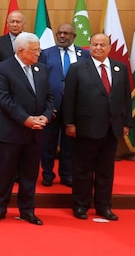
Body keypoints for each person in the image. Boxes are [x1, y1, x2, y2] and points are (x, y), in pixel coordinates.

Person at [63, 33, 132, 221]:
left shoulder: (121, 68)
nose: (98, 48)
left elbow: (125, 98)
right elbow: (69, 98)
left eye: (102, 45)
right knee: (83, 170)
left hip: (112, 128)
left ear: (109, 47)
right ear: (89, 46)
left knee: (106, 170)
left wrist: (126, 123)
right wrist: (70, 123)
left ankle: (104, 206)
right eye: (95, 44)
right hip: (85, 127)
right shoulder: (77, 68)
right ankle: (80, 205)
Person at [0, 32, 53, 225]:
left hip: (35, 133)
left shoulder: (42, 69)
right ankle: (0, 209)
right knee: (5, 174)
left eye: (39, 49)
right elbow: (3, 99)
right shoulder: (2, 69)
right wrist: (26, 119)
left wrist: (46, 116)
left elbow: (49, 97)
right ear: (21, 50)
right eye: (35, 50)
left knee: (30, 174)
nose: (38, 53)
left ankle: (27, 210)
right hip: (10, 132)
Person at [39, 23, 90, 187]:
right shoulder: (46, 54)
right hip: (52, 106)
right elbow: (41, 81)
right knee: (48, 142)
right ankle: (47, 174)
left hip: (75, 108)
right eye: (59, 33)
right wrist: (46, 105)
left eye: (66, 33)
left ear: (74, 36)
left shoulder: (85, 54)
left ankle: (66, 174)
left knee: (70, 143)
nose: (62, 36)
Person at [0, 10, 26, 130]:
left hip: (25, 92)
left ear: (24, 24)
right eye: (12, 22)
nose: (14, 24)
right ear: (7, 24)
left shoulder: (31, 40)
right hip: (4, 92)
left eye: (18, 22)